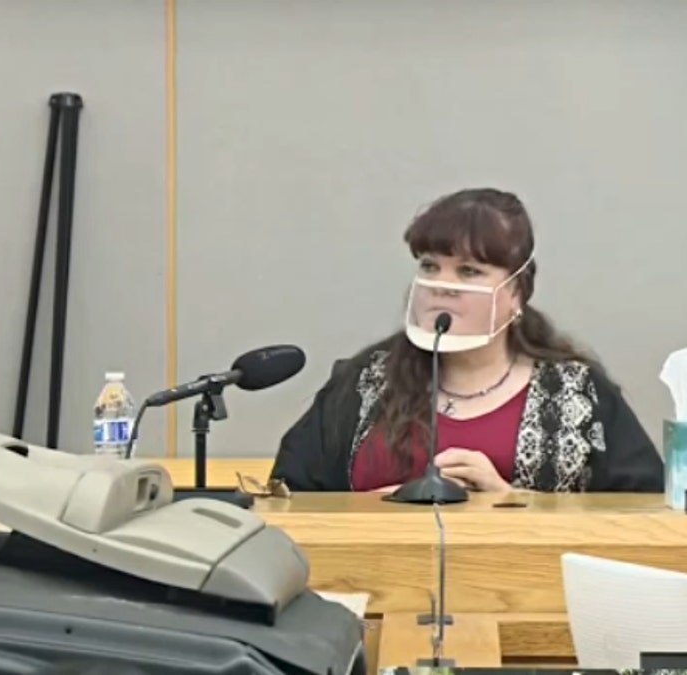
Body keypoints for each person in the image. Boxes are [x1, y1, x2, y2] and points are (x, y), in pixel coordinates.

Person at [271, 188, 663, 494]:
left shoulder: (578, 393)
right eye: (429, 266)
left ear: (516, 292)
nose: (443, 287)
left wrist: (512, 503)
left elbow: (638, 508)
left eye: (469, 271)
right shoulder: (364, 380)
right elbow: (291, 494)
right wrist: (371, 511)